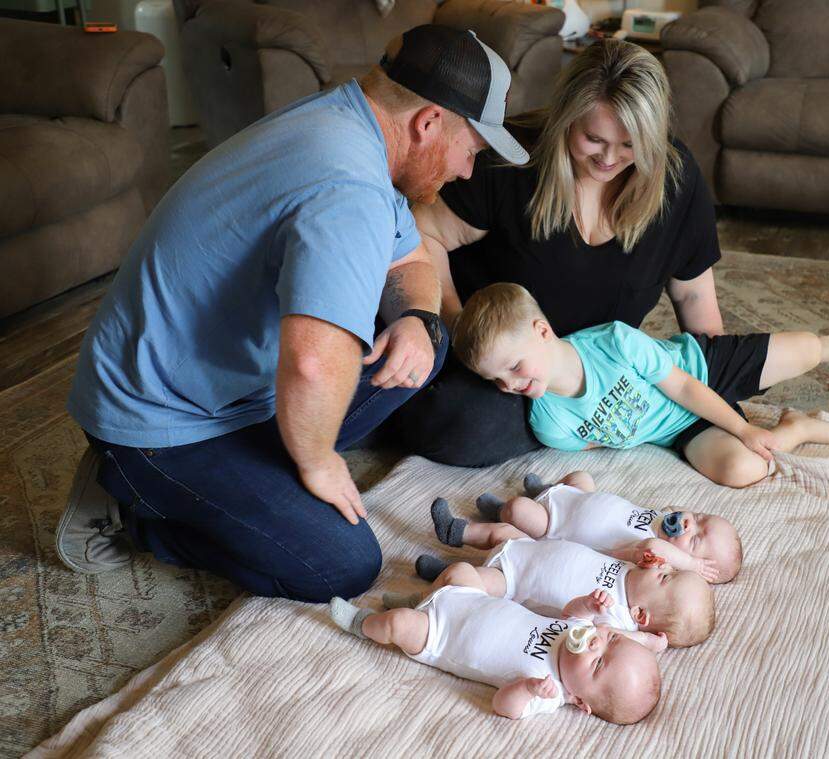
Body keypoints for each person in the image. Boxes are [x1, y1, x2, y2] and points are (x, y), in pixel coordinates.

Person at [56, 26, 529, 602]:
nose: (466, 172)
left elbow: (410, 263)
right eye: (472, 151)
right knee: (343, 565)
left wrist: (415, 321)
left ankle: (251, 474)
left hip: (224, 383)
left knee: (422, 351)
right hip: (156, 422)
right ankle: (133, 509)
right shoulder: (347, 186)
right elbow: (311, 364)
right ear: (427, 122)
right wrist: (318, 461)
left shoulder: (349, 123)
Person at [388, 39, 728, 467]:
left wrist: (714, 382)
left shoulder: (677, 179)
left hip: (597, 371)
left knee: (728, 378)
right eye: (593, 138)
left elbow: (695, 298)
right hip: (503, 369)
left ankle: (578, 419)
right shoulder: (510, 160)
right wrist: (458, 330)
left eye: (630, 145)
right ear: (566, 118)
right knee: (452, 424)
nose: (609, 159)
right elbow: (422, 232)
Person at [450, 283, 829, 491]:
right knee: (744, 468)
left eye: (514, 367)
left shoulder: (614, 341)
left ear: (542, 331)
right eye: (496, 380)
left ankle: (816, 348)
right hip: (680, 430)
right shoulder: (550, 424)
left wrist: (743, 428)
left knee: (808, 349)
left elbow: (682, 388)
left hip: (699, 368)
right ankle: (797, 427)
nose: (509, 385)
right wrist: (740, 437)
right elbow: (612, 439)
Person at [328, 583, 662, 722]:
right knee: (459, 576)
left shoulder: (550, 690)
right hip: (470, 602)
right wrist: (588, 605)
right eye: (612, 641)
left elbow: (505, 707)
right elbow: (570, 613)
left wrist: (527, 689)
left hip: (441, 638)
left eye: (598, 663)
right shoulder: (581, 631)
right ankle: (417, 599)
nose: (595, 644)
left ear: (580, 701)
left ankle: (363, 623)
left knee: (399, 625)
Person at [404, 530, 715, 648]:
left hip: (515, 583)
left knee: (471, 581)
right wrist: (638, 556)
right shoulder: (633, 569)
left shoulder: (617, 615)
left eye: (666, 578)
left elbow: (611, 638)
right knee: (500, 534)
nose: (665, 567)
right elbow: (620, 547)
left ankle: (425, 598)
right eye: (671, 569)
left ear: (641, 615)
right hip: (531, 548)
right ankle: (457, 537)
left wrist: (647, 641)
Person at [431, 470, 745, 584]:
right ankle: (538, 493)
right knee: (581, 476)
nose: (690, 524)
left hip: (555, 527)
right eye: (701, 518)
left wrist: (688, 564)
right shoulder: (660, 520)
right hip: (577, 498)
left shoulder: (650, 555)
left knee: (519, 511)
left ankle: (461, 530)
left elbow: (653, 548)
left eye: (694, 540)